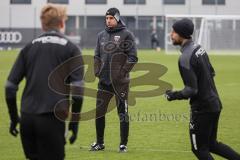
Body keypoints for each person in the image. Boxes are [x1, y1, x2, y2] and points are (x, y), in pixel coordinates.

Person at [5, 4, 84, 160]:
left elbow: (10, 87)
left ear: (42, 24)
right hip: (52, 120)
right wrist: (74, 124)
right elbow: (78, 92)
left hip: (28, 119)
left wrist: (15, 118)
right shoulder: (71, 49)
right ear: (62, 23)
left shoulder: (28, 48)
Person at [165, 18, 240, 160]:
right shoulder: (199, 48)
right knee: (211, 144)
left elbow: (191, 90)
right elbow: (212, 72)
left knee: (199, 149)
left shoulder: (185, 58)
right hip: (215, 103)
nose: (171, 34)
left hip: (202, 109)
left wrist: (172, 95)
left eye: (174, 32)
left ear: (181, 34)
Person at [90, 7, 138, 152]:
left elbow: (133, 57)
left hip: (120, 83)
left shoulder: (126, 35)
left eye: (111, 18)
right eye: (106, 18)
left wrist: (122, 73)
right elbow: (97, 55)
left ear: (117, 18)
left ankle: (123, 144)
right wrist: (97, 71)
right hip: (103, 81)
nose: (108, 21)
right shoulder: (101, 35)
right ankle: (99, 143)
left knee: (122, 114)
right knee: (99, 112)